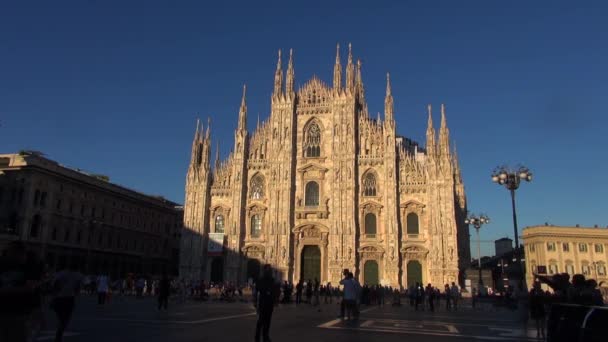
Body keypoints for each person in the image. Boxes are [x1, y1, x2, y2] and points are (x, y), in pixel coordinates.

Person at [0, 241, 41, 342]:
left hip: (19, 313)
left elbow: (31, 288)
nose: (7, 254)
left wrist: (5, 290)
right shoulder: (2, 264)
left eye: (10, 251)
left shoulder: (30, 266)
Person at [51, 263, 83, 342]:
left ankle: (59, 331)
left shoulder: (61, 273)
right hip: (69, 299)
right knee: (66, 318)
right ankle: (59, 333)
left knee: (61, 317)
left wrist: (54, 296)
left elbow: (55, 285)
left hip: (59, 298)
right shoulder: (78, 275)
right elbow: (77, 288)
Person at [254, 264, 277, 342]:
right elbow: (256, 291)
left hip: (269, 303)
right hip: (263, 302)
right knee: (261, 321)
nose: (269, 271)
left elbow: (274, 291)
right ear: (264, 270)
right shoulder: (260, 280)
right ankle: (257, 337)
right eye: (268, 269)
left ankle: (265, 336)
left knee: (268, 321)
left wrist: (275, 300)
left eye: (270, 269)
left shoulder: (272, 280)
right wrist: (255, 302)